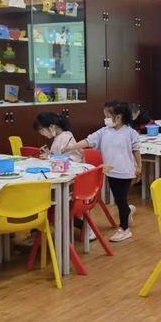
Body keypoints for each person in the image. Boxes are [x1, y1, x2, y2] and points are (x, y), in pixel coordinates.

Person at [64, 102, 141, 242]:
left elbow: (136, 150)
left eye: (107, 116)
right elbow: (88, 141)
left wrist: (139, 167)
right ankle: (128, 211)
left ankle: (124, 229)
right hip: (110, 171)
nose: (105, 119)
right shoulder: (104, 131)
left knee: (120, 199)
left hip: (125, 171)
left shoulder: (130, 133)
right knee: (119, 199)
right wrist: (71, 147)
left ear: (118, 117)